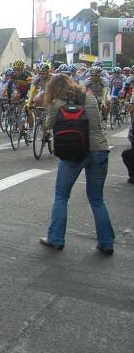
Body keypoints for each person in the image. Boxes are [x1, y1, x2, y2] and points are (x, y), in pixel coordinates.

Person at [40, 73, 114, 255]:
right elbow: (96, 123)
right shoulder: (88, 96)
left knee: (61, 197)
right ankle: (106, 243)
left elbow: (48, 126)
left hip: (73, 153)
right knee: (97, 199)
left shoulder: (56, 102)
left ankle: (56, 239)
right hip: (99, 149)